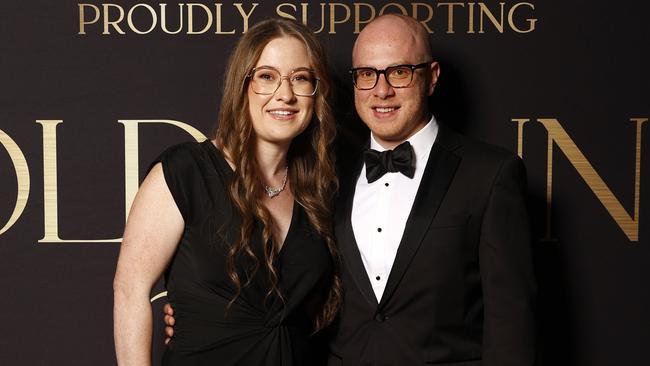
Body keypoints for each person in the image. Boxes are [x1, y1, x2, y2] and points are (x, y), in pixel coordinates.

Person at [165, 13, 536, 366]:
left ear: (432, 77)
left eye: (400, 72)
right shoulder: (325, 176)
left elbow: (511, 322)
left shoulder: (489, 174)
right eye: (367, 75)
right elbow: (293, 282)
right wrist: (204, 313)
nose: (382, 90)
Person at [113, 18, 342, 366]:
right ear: (242, 85)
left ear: (316, 93)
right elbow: (130, 293)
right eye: (267, 76)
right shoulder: (185, 171)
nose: (286, 94)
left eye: (301, 78)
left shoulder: (319, 191)